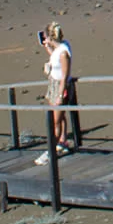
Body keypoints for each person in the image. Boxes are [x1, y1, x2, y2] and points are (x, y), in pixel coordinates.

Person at [34, 22, 77, 164]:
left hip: (60, 86)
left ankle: (51, 151)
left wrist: (60, 95)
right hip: (54, 83)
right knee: (60, 117)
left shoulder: (64, 52)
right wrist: (47, 47)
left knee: (55, 121)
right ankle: (62, 142)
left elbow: (65, 75)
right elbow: (55, 59)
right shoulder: (60, 48)